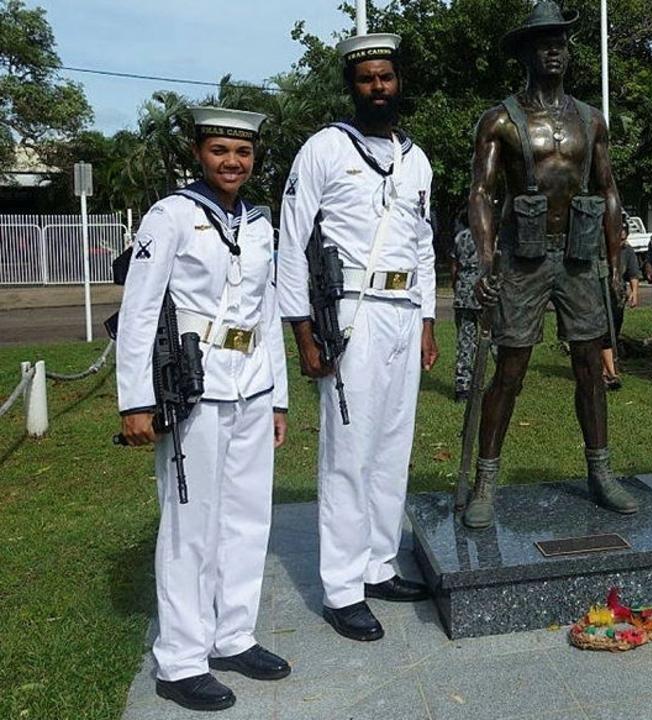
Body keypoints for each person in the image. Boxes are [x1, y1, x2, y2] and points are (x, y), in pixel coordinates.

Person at [116, 107, 291, 712]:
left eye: (242, 153)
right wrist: (135, 400)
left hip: (252, 385)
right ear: (198, 153)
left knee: (247, 519)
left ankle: (233, 635)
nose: (232, 162)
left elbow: (267, 314)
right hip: (193, 386)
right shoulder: (171, 217)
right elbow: (139, 311)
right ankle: (181, 660)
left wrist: (280, 398)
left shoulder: (259, 223)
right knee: (191, 525)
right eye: (220, 150)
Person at [276, 32, 438, 642]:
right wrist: (303, 334)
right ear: (353, 85)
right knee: (349, 452)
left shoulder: (416, 158)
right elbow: (291, 243)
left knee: (393, 445)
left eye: (387, 77)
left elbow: (424, 246)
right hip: (350, 313)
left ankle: (378, 562)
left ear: (398, 82)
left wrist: (426, 321)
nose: (379, 87)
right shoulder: (323, 148)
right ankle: (343, 589)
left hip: (401, 311)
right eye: (367, 78)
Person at [462, 0, 638, 529]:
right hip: (522, 256)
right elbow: (481, 192)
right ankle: (486, 482)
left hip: (580, 256)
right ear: (527, 53)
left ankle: (601, 474)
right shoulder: (501, 120)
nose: (555, 50)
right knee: (510, 369)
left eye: (561, 41)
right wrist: (487, 260)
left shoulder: (591, 119)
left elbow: (607, 189)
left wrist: (613, 260)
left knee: (590, 365)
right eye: (544, 42)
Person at [601, 225, 641, 390]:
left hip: (617, 297)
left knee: (613, 333)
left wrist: (634, 293)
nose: (622, 242)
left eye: (624, 239)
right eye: (619, 238)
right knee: (604, 332)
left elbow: (633, 274)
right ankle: (610, 372)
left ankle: (607, 370)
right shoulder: (602, 249)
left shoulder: (627, 251)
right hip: (600, 296)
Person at [453, 209, 482, 400]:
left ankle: (462, 385)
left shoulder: (460, 238)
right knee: (495, 339)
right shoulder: (490, 236)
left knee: (465, 341)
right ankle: (504, 378)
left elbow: (454, 266)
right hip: (484, 289)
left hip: (464, 289)